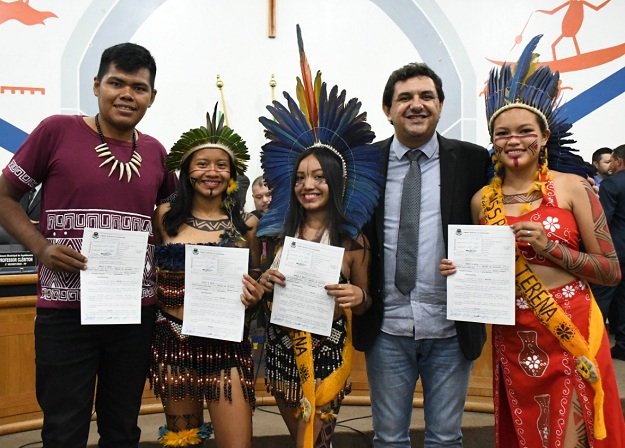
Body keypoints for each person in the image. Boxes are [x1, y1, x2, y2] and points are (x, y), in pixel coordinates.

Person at [440, 36, 625, 447]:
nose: (514, 141)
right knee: (529, 434)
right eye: (502, 133)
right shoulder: (481, 201)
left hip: (571, 327)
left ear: (543, 137)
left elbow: (611, 271)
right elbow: (484, 274)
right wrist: (460, 271)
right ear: (493, 141)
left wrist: (550, 247)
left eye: (525, 131)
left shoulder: (573, 187)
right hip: (513, 335)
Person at [0, 43, 178, 447]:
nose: (127, 95)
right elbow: (4, 197)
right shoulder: (56, 131)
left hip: (134, 314)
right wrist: (41, 248)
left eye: (138, 87)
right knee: (64, 430)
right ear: (96, 85)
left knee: (123, 428)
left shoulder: (156, 152)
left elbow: (173, 220)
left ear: (152, 96)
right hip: (66, 313)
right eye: (116, 83)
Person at [255, 25, 383, 448]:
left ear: (336, 181)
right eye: (300, 177)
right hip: (281, 349)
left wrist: (357, 297)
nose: (308, 185)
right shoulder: (276, 234)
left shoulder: (353, 241)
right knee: (297, 437)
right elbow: (256, 290)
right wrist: (264, 281)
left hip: (327, 351)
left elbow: (365, 301)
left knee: (318, 439)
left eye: (318, 177)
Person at [352, 61, 490, 447]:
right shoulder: (363, 163)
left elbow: (495, 224)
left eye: (427, 96)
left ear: (440, 105)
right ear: (388, 109)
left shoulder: (474, 161)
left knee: (445, 438)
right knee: (388, 439)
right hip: (386, 326)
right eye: (405, 98)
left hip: (450, 326)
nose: (417, 104)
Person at [149, 106, 263, 448]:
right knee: (183, 440)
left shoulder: (247, 225)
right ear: (187, 172)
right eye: (202, 164)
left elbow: (255, 279)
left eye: (221, 165)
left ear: (232, 174)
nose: (212, 172)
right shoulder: (164, 216)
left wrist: (255, 294)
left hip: (226, 347)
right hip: (173, 342)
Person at [598, 144, 625, 361]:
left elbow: (603, 221)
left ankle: (594, 345)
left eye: (612, 160)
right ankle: (623, 345)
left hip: (615, 251)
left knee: (602, 298)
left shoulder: (611, 183)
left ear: (619, 161)